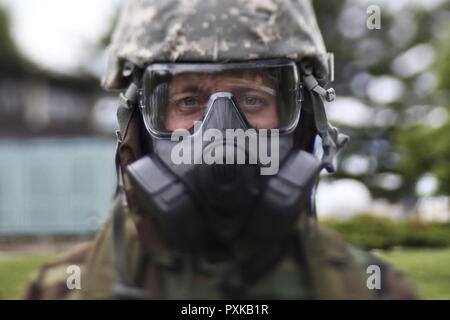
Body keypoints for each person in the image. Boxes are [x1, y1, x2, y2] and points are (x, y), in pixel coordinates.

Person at [25, 0, 417, 299]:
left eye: (251, 100)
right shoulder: (63, 290)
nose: (221, 133)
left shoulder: (367, 289)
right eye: (188, 101)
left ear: (303, 126)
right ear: (137, 129)